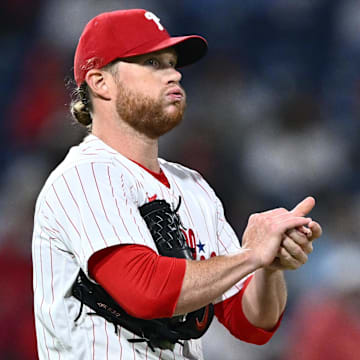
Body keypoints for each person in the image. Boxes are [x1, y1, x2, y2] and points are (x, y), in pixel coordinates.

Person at [32, 8, 322, 360]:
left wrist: (269, 267)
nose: (174, 74)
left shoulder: (193, 186)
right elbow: (145, 290)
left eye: (172, 63)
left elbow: (251, 322)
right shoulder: (84, 175)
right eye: (153, 63)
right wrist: (250, 255)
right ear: (100, 82)